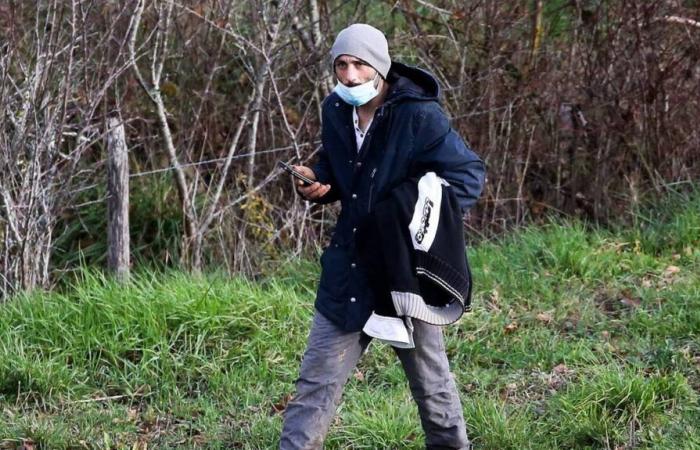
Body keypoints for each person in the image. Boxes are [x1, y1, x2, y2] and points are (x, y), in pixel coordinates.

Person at [280, 23, 485, 450]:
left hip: (403, 275)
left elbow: (467, 176)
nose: (350, 76)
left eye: (359, 64)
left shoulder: (418, 115)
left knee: (432, 385)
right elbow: (342, 173)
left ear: (380, 65)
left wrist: (417, 226)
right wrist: (318, 180)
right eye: (342, 65)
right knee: (314, 384)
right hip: (348, 268)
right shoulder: (336, 110)